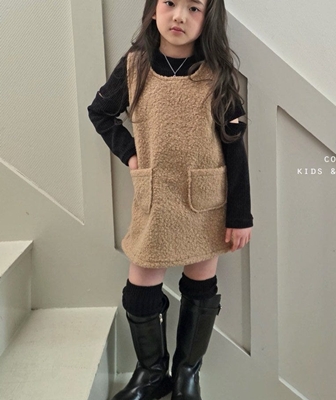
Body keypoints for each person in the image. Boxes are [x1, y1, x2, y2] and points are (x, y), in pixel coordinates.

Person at [87, 0, 253, 399]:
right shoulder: (135, 66)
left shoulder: (218, 74)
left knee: (201, 284)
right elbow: (101, 113)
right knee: (140, 286)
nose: (179, 16)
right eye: (170, 3)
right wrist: (130, 153)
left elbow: (234, 147)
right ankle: (151, 372)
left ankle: (186, 374)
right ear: (153, 9)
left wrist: (240, 214)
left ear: (208, 19)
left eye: (194, 8)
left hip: (206, 202)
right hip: (156, 199)